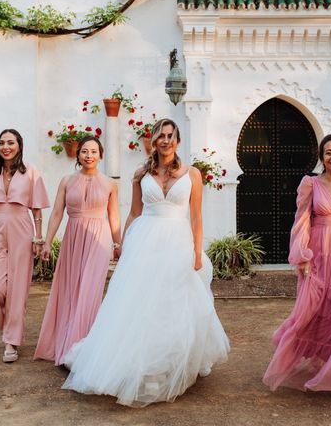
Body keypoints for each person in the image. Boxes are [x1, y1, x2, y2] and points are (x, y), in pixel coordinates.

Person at [61, 118, 230, 407]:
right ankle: (142, 366)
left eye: (170, 136)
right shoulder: (141, 174)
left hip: (178, 243)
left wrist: (197, 253)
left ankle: (166, 365)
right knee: (140, 303)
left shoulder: (193, 175)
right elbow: (134, 213)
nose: (165, 141)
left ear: (177, 141)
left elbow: (197, 217)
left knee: (172, 303)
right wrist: (124, 245)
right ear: (153, 140)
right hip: (145, 242)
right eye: (160, 136)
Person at [263, 134, 331, 400]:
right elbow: (301, 220)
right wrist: (303, 255)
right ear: (321, 157)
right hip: (318, 253)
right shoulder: (311, 184)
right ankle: (317, 360)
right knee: (316, 310)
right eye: (328, 152)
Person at [34, 135, 121, 365]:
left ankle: (83, 351)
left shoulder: (111, 184)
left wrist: (117, 243)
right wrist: (46, 242)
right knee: (71, 290)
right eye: (84, 151)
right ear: (78, 154)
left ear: (100, 155)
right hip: (73, 238)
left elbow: (114, 216)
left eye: (93, 151)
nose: (89, 155)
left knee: (90, 291)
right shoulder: (66, 180)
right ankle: (67, 346)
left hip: (98, 240)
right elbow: (56, 214)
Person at [0, 129, 50, 363]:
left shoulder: (30, 171)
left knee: (18, 289)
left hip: (22, 228)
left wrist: (39, 238)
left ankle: (11, 341)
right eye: (1, 143)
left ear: (19, 145)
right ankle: (8, 320)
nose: (5, 146)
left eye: (10, 142)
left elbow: (36, 209)